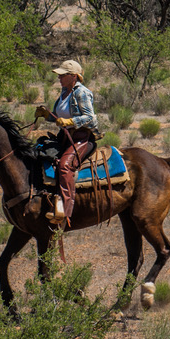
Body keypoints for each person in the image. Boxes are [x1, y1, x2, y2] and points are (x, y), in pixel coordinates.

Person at [45, 60, 98, 224]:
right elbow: (57, 114)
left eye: (63, 75)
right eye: (59, 75)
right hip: (65, 136)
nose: (59, 77)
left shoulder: (81, 93)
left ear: (73, 76)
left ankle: (66, 210)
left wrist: (70, 122)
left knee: (64, 166)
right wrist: (46, 114)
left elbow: (91, 118)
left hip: (81, 137)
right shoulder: (64, 92)